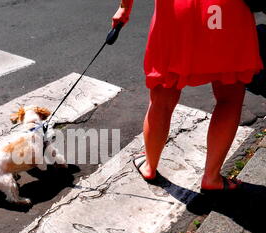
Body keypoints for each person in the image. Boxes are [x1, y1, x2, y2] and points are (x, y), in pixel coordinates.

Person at [112, 0, 263, 193]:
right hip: (228, 11)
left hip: (177, 14)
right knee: (229, 97)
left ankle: (150, 165)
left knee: (162, 99)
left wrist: (124, 8)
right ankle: (212, 177)